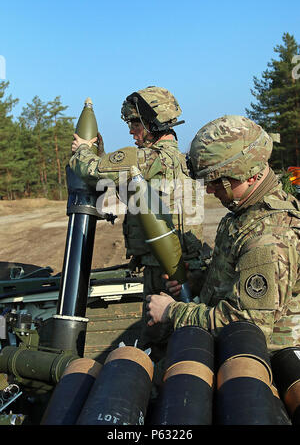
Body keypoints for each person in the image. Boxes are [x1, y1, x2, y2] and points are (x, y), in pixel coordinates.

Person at [69, 86, 205, 360]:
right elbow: (124, 187)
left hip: (162, 271)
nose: (131, 130)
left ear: (153, 121)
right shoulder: (184, 160)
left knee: (157, 341)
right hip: (188, 268)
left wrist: (82, 151)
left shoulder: (145, 159)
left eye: (134, 122)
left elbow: (91, 171)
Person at [146, 115, 300, 351]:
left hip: (259, 360)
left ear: (248, 175)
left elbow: (247, 323)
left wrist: (172, 311)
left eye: (217, 181)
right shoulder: (245, 214)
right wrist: (200, 280)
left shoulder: (269, 237)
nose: (209, 189)